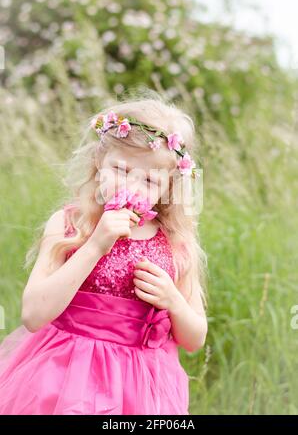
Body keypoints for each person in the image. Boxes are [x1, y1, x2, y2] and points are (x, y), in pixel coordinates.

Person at [0, 94, 208, 414]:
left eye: (150, 180)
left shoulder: (176, 244)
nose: (134, 187)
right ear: (99, 162)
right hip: (65, 376)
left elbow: (194, 339)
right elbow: (33, 314)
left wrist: (173, 300)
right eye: (121, 170)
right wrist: (95, 245)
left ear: (169, 187)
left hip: (140, 388)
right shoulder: (71, 224)